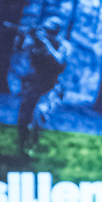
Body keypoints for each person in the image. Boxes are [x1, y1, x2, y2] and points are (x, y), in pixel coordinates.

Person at [14, 19, 68, 156]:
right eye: (45, 30)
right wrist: (22, 35)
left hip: (51, 86)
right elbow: (19, 49)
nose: (46, 33)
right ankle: (22, 145)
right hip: (34, 84)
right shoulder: (35, 42)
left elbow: (60, 60)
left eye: (50, 31)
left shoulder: (62, 45)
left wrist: (46, 43)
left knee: (39, 115)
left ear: (56, 32)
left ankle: (33, 144)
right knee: (23, 116)